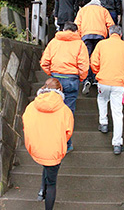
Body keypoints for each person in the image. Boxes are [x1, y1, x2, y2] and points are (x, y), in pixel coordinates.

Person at [23, 78, 74, 210]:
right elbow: (68, 133)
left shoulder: (31, 107)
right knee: (52, 183)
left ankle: (41, 191)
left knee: (46, 164)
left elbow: (26, 127)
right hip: (54, 150)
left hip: (36, 148)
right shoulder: (65, 110)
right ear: (59, 90)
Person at [40, 21, 88, 152]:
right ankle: (67, 144)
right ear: (75, 31)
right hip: (72, 79)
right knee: (68, 112)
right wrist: (81, 78)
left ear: (63, 29)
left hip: (56, 80)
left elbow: (44, 62)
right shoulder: (80, 44)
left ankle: (52, 141)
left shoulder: (53, 42)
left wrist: (52, 74)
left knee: (53, 110)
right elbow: (83, 65)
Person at [90, 25, 124, 155]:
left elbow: (93, 62)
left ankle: (103, 122)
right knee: (117, 112)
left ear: (109, 33)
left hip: (103, 81)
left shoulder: (101, 45)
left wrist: (98, 73)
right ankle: (117, 143)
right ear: (120, 34)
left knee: (102, 99)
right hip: (119, 84)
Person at [74, 0, 115, 94]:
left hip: (86, 36)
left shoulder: (82, 10)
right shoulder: (104, 10)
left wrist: (79, 37)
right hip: (100, 36)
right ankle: (97, 79)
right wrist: (111, 37)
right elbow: (111, 25)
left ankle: (87, 79)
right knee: (98, 58)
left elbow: (77, 25)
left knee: (87, 58)